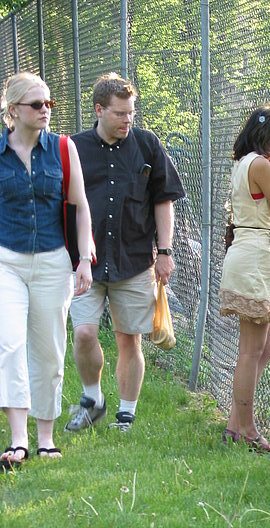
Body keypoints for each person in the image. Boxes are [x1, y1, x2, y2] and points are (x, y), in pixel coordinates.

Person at [64, 73, 185, 433]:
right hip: (85, 261)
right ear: (99, 110)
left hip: (134, 259)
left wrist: (165, 251)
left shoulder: (147, 145)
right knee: (84, 333)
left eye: (131, 113)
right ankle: (93, 400)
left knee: (129, 337)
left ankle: (126, 415)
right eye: (120, 114)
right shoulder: (73, 147)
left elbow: (164, 200)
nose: (127, 120)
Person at [0, 72, 93, 469]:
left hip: (54, 260)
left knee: (50, 352)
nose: (46, 111)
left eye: (49, 104)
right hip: (6, 259)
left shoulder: (63, 148)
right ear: (13, 110)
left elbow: (80, 204)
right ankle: (18, 440)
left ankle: (46, 438)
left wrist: (84, 259)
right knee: (10, 343)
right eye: (37, 105)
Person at [219, 105, 270, 452]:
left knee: (268, 346)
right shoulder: (260, 164)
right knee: (251, 350)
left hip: (251, 253)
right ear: (268, 135)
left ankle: (236, 422)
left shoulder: (247, 162)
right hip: (253, 256)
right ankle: (246, 429)